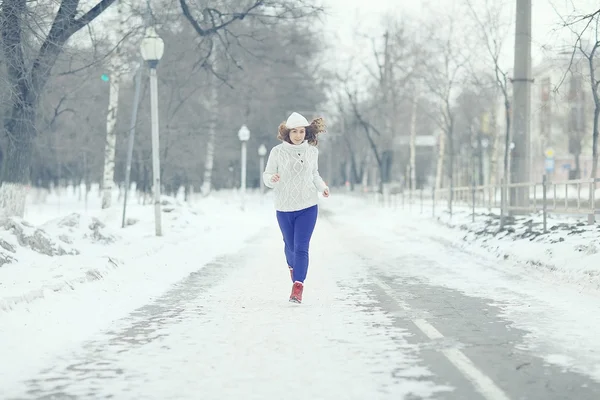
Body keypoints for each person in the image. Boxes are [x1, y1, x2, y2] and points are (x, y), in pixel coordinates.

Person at [262, 112, 330, 304]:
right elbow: (267, 175)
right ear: (287, 132)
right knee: (290, 246)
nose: (299, 135)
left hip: (307, 206)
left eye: (302, 131)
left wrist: (323, 187)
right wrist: (272, 179)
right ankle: (294, 268)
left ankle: (298, 286)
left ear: (306, 132)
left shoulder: (312, 152)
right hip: (284, 207)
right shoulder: (277, 152)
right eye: (294, 131)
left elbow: (314, 174)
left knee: (301, 248)